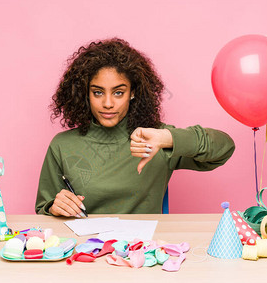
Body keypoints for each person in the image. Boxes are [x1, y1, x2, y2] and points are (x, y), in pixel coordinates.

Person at [35, 38, 235, 217]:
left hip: (143, 253)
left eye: (118, 93)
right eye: (97, 93)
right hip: (85, 253)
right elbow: (43, 208)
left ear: (132, 93)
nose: (107, 103)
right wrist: (54, 206)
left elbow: (224, 148)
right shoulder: (62, 145)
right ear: (85, 94)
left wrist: (168, 139)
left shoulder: (155, 138)